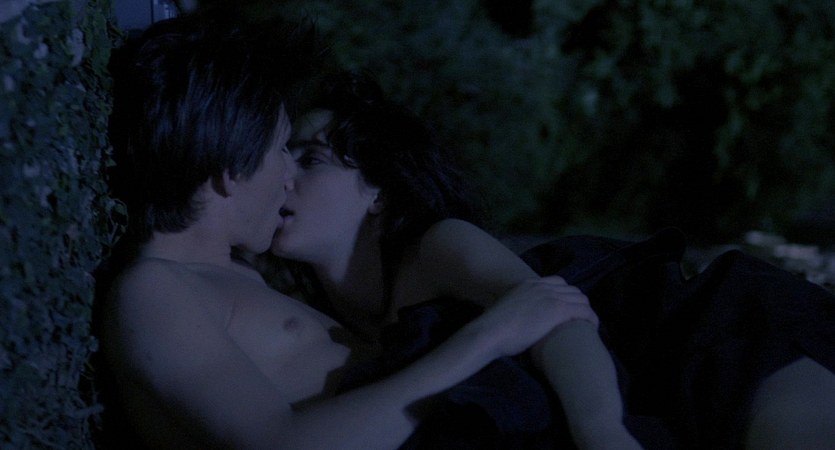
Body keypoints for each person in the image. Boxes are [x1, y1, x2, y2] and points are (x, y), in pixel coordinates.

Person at [94, 13, 599, 449]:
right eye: (279, 151)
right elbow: (280, 444)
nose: (287, 176)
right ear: (231, 167)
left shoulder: (230, 274)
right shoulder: (155, 289)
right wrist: (491, 336)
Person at [269, 71, 835, 449]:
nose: (283, 175)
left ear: (378, 191)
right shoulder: (331, 317)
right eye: (281, 157)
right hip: (653, 401)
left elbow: (560, 317)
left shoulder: (436, 245)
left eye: (311, 159)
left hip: (710, 336)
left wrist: (603, 433)